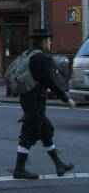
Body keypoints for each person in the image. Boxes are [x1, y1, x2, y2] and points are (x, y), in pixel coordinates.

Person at [12, 28, 77, 180]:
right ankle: (19, 169)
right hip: (35, 101)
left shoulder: (29, 55)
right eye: (48, 40)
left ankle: (59, 164)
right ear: (43, 42)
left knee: (45, 131)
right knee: (29, 134)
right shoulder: (41, 59)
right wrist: (66, 99)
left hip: (28, 99)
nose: (50, 42)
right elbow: (51, 82)